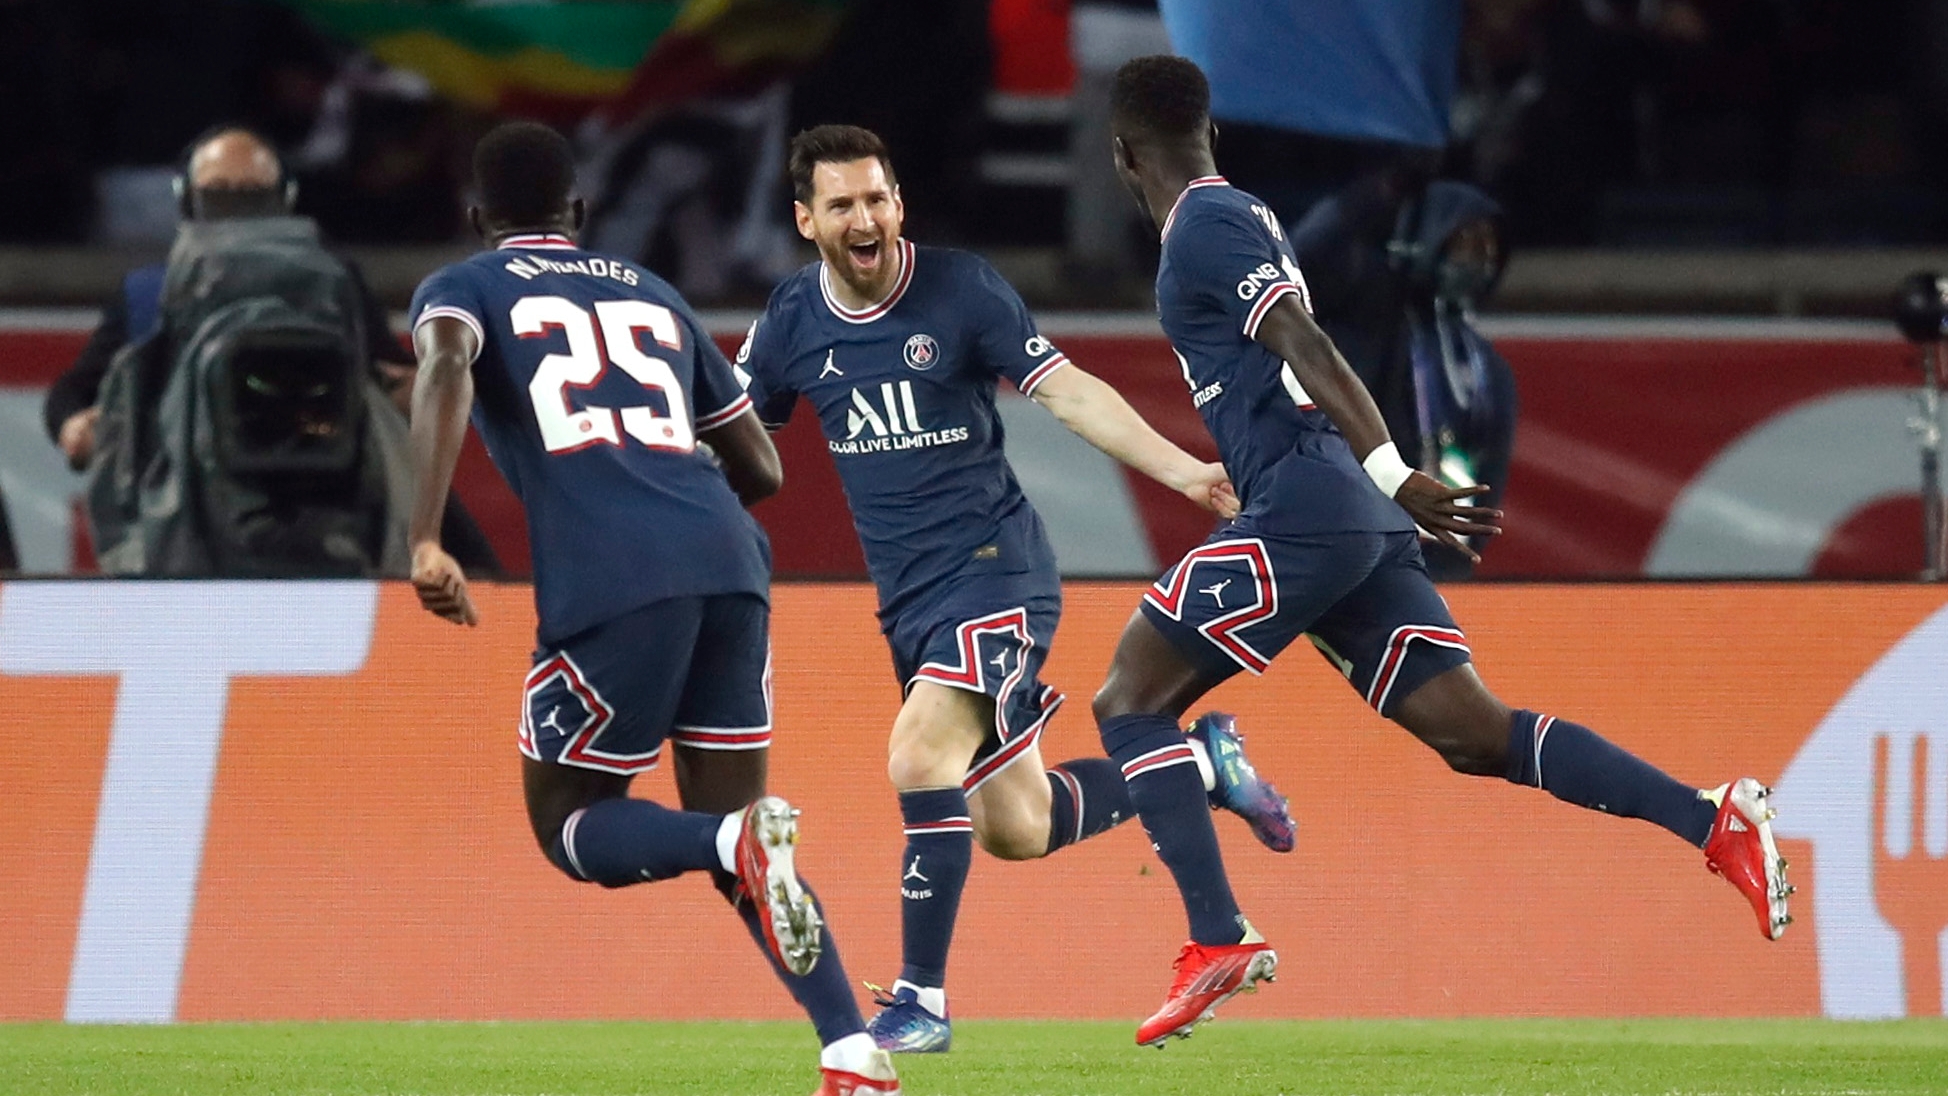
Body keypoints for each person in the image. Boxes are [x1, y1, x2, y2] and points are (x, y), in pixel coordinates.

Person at [1093, 55, 1794, 1047]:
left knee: (1127, 699)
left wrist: (1388, 469)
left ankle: (1217, 935)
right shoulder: (1239, 213)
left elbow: (1306, 341)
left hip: (1310, 501)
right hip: (1335, 512)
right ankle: (1709, 817)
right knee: (1475, 733)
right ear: (1211, 132)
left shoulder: (1203, 226)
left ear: (1121, 154)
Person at [735, 123, 1296, 1055]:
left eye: (878, 198)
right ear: (806, 220)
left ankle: (921, 1001)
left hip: (996, 572)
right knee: (1019, 827)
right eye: (842, 205)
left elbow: (1067, 390)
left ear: (899, 203)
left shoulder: (961, 289)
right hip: (910, 603)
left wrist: (1184, 472)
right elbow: (740, 435)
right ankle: (1204, 765)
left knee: (920, 756)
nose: (865, 217)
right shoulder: (792, 320)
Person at [405, 122, 898, 1096]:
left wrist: (425, 533)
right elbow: (759, 462)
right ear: (579, 214)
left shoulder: (461, 287)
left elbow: (446, 366)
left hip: (613, 574)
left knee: (572, 823)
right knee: (736, 833)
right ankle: (850, 1045)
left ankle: (734, 842)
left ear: (476, 219)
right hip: (730, 560)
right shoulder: (658, 297)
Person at [46, 126, 497, 574]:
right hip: (188, 518)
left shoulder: (335, 284)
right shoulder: (152, 294)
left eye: (251, 194)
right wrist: (76, 425)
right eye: (220, 193)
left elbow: (397, 383)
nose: (238, 210)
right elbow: (73, 392)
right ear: (188, 199)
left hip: (327, 503)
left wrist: (413, 389)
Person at [1290, 176, 1519, 578]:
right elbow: (1305, 256)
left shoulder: (1488, 368)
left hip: (1437, 557)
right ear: (1430, 236)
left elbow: (1490, 475)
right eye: (1464, 241)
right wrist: (1378, 187)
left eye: (1488, 247)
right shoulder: (1369, 320)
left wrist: (1460, 554)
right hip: (1350, 542)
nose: (1478, 259)